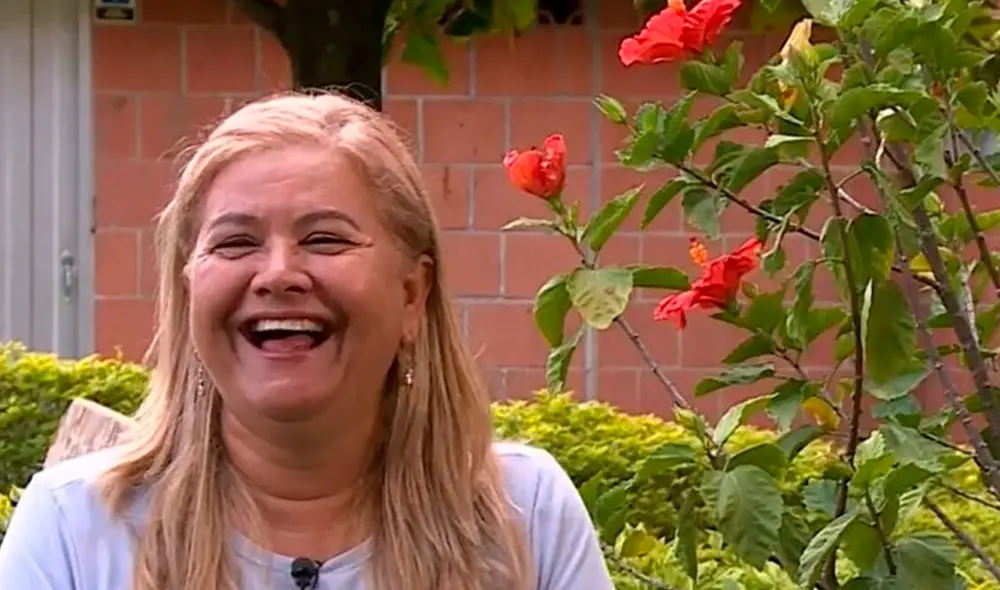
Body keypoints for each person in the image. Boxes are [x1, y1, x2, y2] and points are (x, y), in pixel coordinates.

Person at [0, 92, 614, 590]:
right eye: (235, 242)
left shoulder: (526, 517)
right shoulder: (73, 529)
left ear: (411, 294)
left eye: (325, 239)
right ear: (187, 291)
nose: (277, 274)